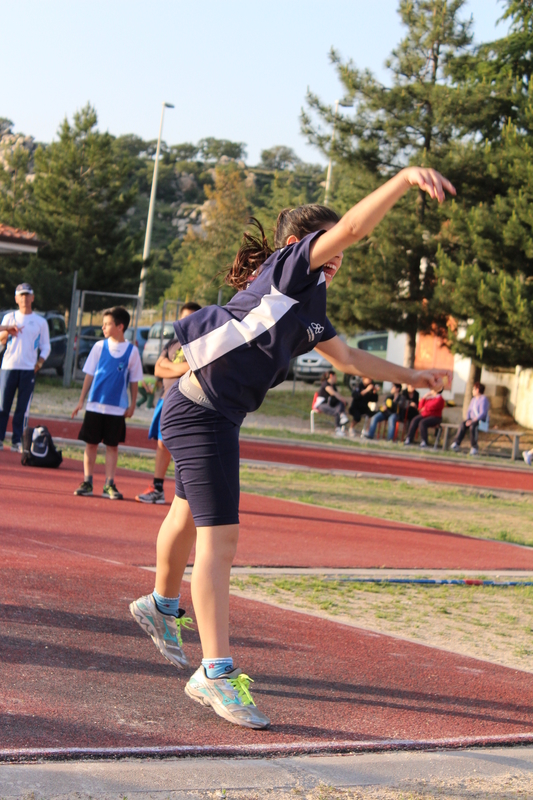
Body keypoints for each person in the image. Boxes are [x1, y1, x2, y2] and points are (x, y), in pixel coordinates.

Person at [129, 166, 455, 730]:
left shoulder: (308, 310)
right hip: (199, 407)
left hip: (215, 413)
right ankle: (216, 671)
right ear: (295, 246)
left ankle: (159, 605)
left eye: (336, 249)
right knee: (221, 538)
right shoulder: (287, 272)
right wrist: (403, 180)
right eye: (326, 245)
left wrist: (413, 376)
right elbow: (353, 226)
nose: (338, 254)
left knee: (188, 510)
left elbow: (351, 360)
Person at [71, 306, 143, 500]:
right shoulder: (99, 347)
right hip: (95, 405)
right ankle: (87, 481)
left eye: (107, 324)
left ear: (120, 326)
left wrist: (133, 405)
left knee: (112, 446)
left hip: (117, 408)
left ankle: (109, 484)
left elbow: (135, 381)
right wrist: (81, 401)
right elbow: (89, 375)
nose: (103, 327)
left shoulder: (132, 351)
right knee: (91, 444)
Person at [136, 302, 202, 504]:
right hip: (165, 399)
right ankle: (157, 488)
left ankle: (188, 494)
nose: (186, 322)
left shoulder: (201, 343)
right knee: (162, 444)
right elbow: (157, 369)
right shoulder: (172, 343)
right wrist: (180, 367)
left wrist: (171, 366)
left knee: (181, 447)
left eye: (191, 318)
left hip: (187, 401)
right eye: (183, 318)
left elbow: (194, 368)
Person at [0, 283, 50, 453]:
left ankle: (16, 440)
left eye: (27, 295)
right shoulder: (9, 317)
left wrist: (39, 363)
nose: (24, 298)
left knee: (22, 407)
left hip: (28, 368)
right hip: (8, 367)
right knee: (2, 405)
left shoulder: (40, 322)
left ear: (32, 297)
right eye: (21, 295)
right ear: (16, 298)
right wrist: (8, 332)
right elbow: (1, 340)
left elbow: (46, 346)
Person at [451, 381, 490, 456]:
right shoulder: (473, 400)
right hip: (472, 420)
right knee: (463, 424)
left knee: (473, 427)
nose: (472, 391)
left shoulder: (483, 399)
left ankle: (474, 447)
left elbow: (483, 413)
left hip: (479, 421)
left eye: (474, 389)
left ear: (477, 389)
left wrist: (474, 419)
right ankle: (456, 443)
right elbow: (469, 411)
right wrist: (468, 419)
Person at [313, 369, 350, 436]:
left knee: (340, 404)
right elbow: (332, 393)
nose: (336, 378)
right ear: (331, 376)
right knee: (337, 411)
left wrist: (342, 400)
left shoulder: (334, 386)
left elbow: (337, 396)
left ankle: (342, 416)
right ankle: (338, 427)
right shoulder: (325, 383)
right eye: (335, 376)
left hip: (330, 404)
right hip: (321, 405)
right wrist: (342, 399)